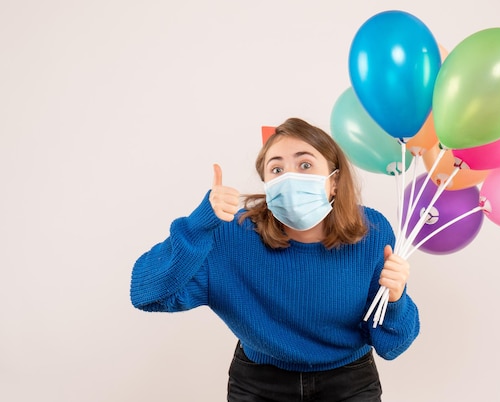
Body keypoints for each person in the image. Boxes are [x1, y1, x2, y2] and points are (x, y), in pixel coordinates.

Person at [130, 117, 420, 401]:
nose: (290, 177)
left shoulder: (372, 232)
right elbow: (147, 294)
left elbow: (391, 346)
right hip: (260, 383)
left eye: (305, 164)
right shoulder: (231, 235)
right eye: (277, 168)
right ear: (266, 184)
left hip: (349, 382)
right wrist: (197, 226)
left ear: (334, 181)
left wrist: (395, 300)